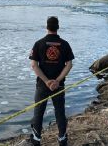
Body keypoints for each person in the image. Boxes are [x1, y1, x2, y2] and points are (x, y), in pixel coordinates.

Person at [28, 16, 74, 146]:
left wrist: (47, 81)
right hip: (58, 86)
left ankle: (36, 140)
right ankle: (62, 139)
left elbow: (34, 65)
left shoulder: (39, 43)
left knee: (39, 112)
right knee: (60, 112)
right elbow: (69, 65)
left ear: (47, 27)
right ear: (58, 27)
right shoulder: (64, 44)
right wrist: (57, 81)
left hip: (42, 85)